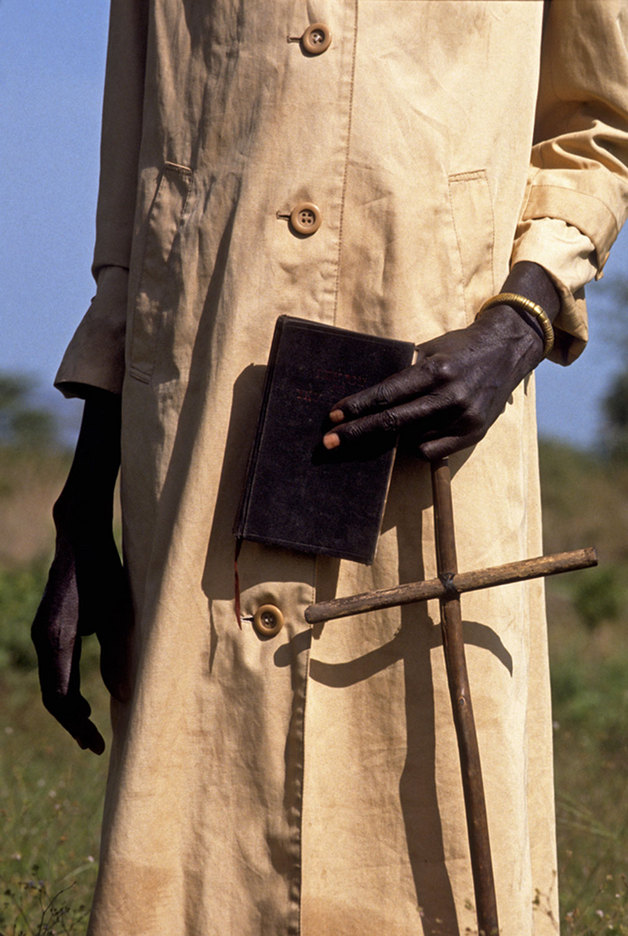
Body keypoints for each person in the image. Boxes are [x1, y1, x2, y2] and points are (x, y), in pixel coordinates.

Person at [31, 2, 628, 934]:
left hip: (434, 427)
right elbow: (137, 203)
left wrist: (521, 318)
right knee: (199, 867)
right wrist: (85, 500)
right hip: (198, 448)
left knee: (430, 857)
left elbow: (599, 126)